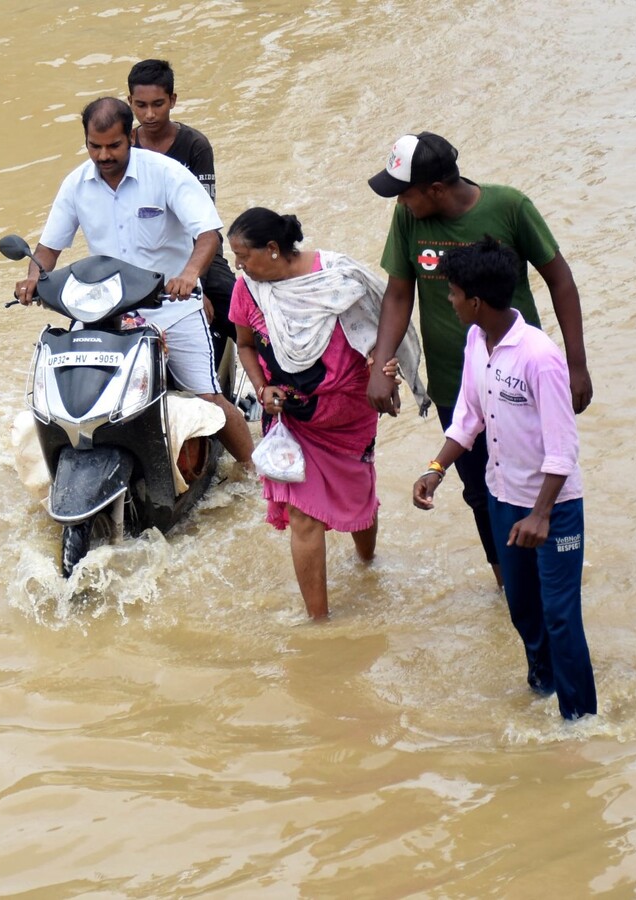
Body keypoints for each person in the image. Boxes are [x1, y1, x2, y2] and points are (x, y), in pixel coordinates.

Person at [365, 131, 595, 591]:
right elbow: (397, 292)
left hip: (520, 382)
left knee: (537, 480)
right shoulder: (408, 218)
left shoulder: (509, 207)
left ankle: (551, 579)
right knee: (479, 492)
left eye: (405, 192)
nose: (400, 202)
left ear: (434, 189)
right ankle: (509, 586)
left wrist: (576, 364)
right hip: (457, 387)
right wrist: (380, 366)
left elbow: (560, 279)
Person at [411, 235, 596, 720]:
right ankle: (544, 692)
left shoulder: (539, 356)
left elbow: (563, 448)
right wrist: (437, 468)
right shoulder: (477, 340)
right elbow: (470, 416)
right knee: (524, 611)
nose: (448, 302)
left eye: (451, 293)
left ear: (475, 300)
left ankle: (579, 722)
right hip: (501, 499)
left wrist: (540, 514)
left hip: (552, 510)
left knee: (560, 616)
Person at [11, 97, 254, 466]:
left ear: (130, 137)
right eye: (95, 146)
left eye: (114, 145)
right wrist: (32, 278)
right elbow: (48, 249)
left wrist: (188, 276)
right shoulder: (75, 184)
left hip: (173, 307)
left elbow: (208, 234)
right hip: (103, 311)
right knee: (69, 399)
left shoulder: (167, 174)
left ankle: (259, 474)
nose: (104, 155)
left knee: (206, 399)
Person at [226, 207, 428, 620]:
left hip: (348, 415)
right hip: (291, 419)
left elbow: (375, 336)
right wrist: (262, 389)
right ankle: (320, 622)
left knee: (358, 498)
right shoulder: (248, 289)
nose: (238, 266)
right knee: (302, 515)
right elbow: (245, 344)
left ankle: (368, 565)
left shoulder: (336, 279)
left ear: (272, 249)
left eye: (244, 256)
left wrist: (384, 371)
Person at [126, 59, 237, 358]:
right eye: (141, 105)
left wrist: (195, 287)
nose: (149, 114)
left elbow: (203, 225)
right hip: (143, 257)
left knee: (242, 313)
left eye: (158, 104)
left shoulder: (195, 146)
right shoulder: (121, 148)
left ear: (173, 100)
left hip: (197, 256)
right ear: (130, 103)